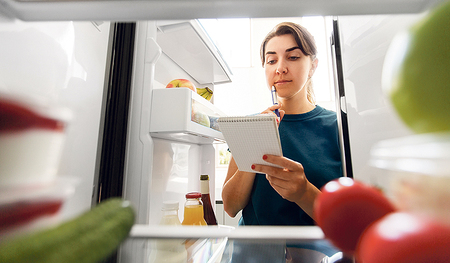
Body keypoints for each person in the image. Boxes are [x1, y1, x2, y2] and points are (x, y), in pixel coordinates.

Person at [222, 22, 343, 227]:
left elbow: (344, 220)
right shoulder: (249, 125)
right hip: (256, 254)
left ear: (313, 66)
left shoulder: (338, 127)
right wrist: (254, 144)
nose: (280, 68)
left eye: (293, 57)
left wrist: (304, 192)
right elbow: (231, 207)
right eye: (271, 60)